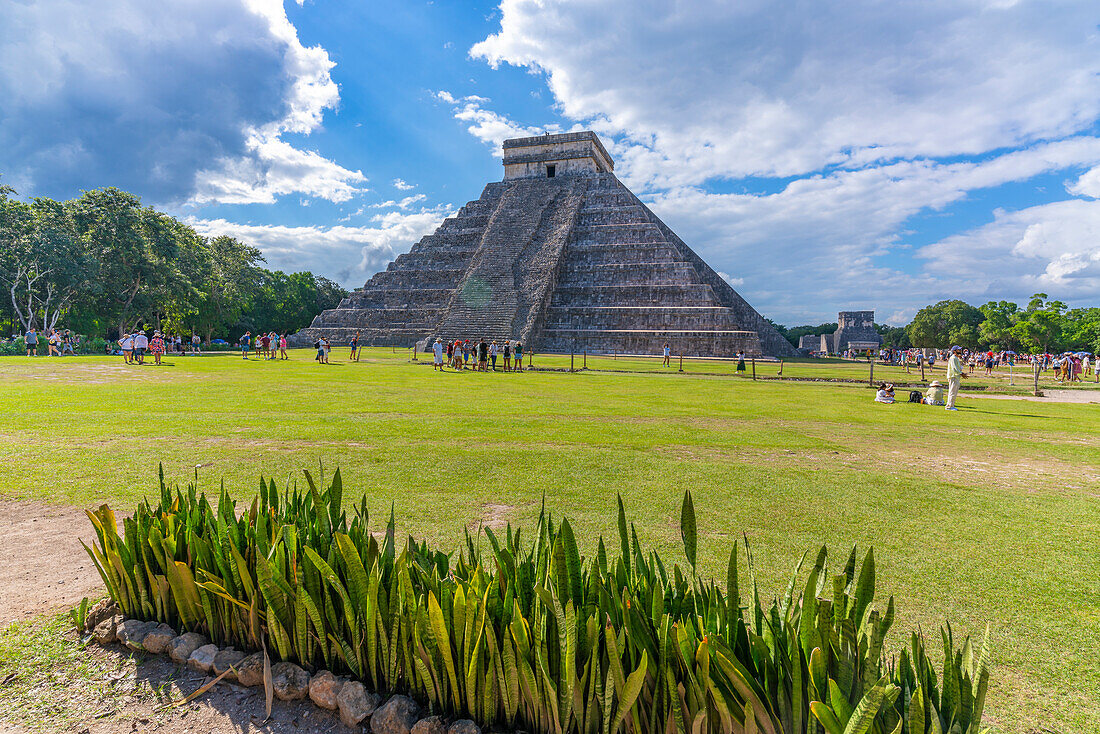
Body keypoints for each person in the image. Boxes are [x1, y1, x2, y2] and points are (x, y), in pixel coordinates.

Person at [945, 345, 966, 411]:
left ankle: (951, 405)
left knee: (954, 392)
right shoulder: (953, 358)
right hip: (953, 376)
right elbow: (955, 368)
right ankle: (949, 406)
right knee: (952, 392)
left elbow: (958, 368)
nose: (960, 351)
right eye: (958, 350)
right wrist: (961, 374)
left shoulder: (956, 358)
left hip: (955, 376)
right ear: (954, 351)